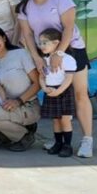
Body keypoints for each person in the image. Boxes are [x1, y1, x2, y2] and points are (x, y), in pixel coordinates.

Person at [16, 0, 94, 158]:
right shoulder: (25, 7)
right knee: (55, 97)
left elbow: (68, 28)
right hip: (46, 54)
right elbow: (27, 34)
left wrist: (60, 52)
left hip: (72, 50)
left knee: (80, 94)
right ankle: (60, 140)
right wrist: (37, 58)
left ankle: (87, 140)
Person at [0, 26, 42, 152]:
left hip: (28, 105)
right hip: (8, 106)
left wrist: (19, 101)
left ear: (4, 38)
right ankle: (21, 129)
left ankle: (24, 136)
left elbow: (38, 83)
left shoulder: (20, 54)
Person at [37, 28, 78, 157]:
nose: (42, 46)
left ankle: (67, 145)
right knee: (55, 120)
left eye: (45, 43)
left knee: (65, 120)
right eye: (40, 43)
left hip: (63, 91)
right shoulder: (45, 60)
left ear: (56, 43)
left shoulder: (68, 59)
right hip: (50, 90)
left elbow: (69, 78)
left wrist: (58, 91)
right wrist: (44, 87)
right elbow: (42, 76)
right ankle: (58, 143)